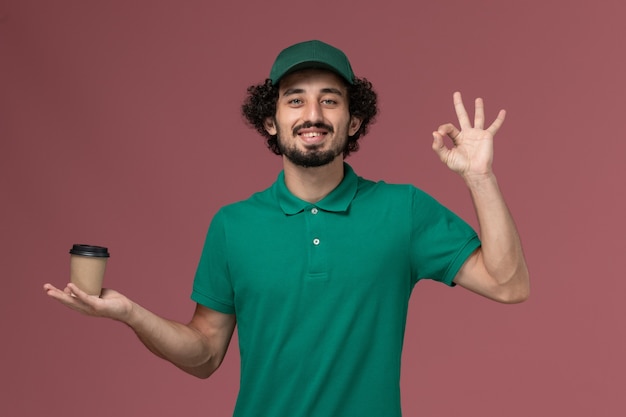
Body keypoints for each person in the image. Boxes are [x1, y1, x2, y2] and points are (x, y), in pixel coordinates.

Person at [44, 40, 529, 416]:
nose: (312, 115)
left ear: (354, 120)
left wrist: (480, 177)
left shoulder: (401, 210)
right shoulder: (234, 226)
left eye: (330, 101)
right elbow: (206, 354)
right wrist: (131, 313)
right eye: (294, 101)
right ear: (271, 120)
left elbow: (509, 285)